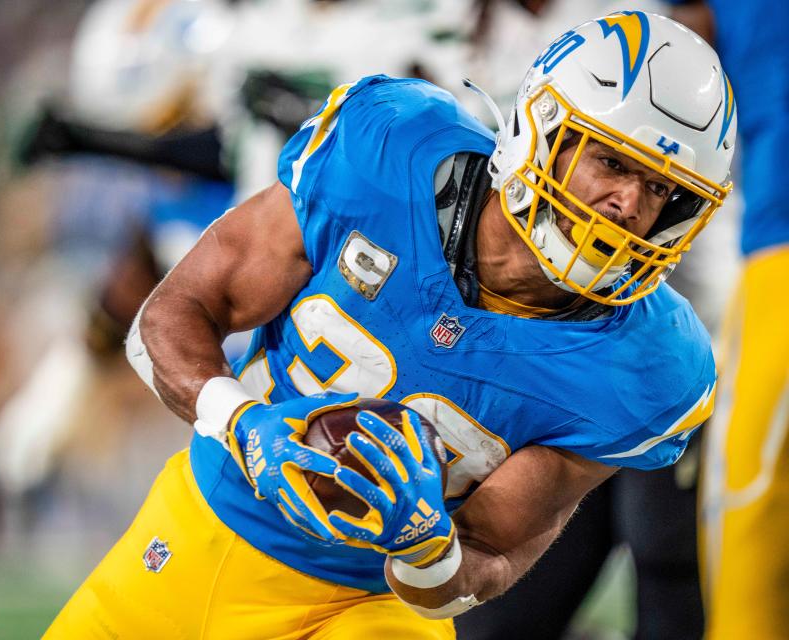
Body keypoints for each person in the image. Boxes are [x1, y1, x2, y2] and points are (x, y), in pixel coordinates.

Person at [44, 11, 736, 639]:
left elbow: (490, 553)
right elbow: (177, 313)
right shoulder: (386, 152)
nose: (629, 205)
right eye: (613, 162)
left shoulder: (648, 367)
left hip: (366, 608)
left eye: (662, 191)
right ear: (543, 130)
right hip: (201, 524)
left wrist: (429, 549)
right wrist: (242, 424)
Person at [668, 1, 789, 638]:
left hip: (774, 249)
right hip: (774, 241)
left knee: (751, 506)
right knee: (751, 514)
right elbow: (677, 60)